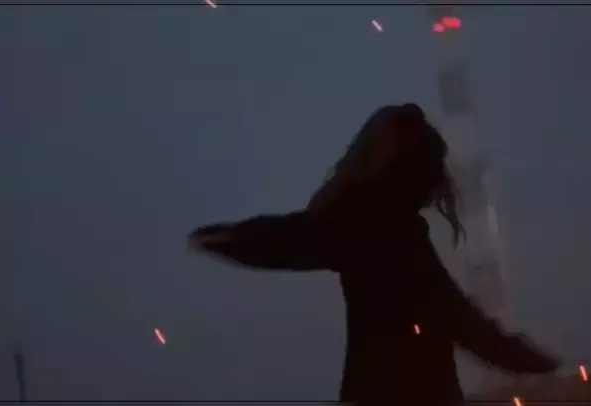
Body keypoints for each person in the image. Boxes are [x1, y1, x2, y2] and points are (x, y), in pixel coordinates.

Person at [188, 103, 559, 405]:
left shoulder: (363, 221)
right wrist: (525, 358)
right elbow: (456, 316)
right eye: (431, 169)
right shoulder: (382, 227)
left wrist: (230, 238)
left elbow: (291, 237)